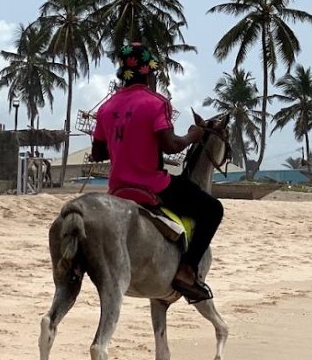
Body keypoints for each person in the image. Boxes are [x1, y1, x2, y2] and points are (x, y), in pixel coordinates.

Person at [91, 42, 223, 303]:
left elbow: (97, 153)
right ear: (150, 73)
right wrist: (192, 136)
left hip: (117, 189)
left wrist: (124, 143)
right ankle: (187, 271)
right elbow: (170, 145)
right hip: (153, 186)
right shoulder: (156, 103)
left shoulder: (106, 108)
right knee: (213, 210)